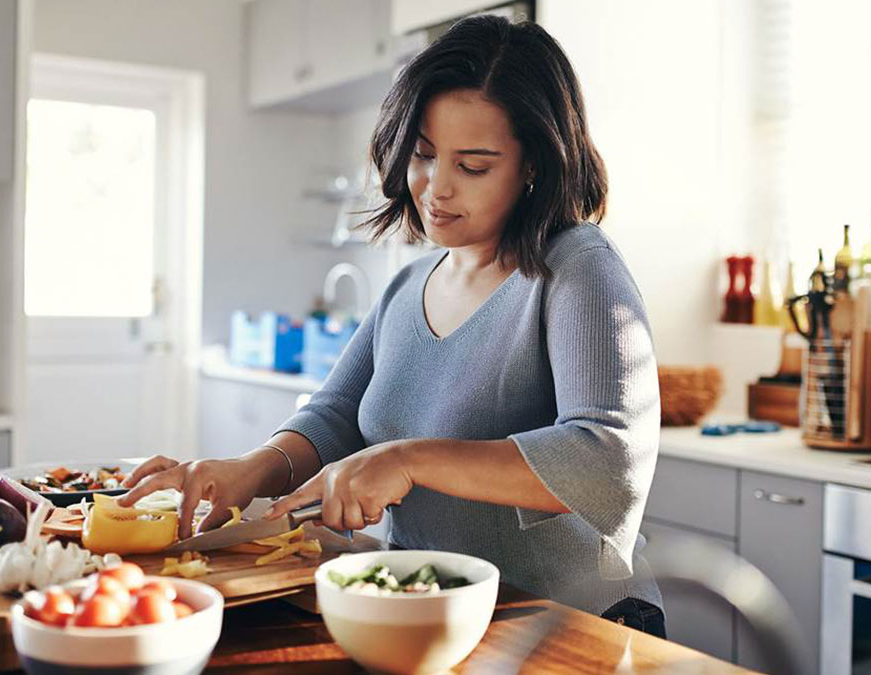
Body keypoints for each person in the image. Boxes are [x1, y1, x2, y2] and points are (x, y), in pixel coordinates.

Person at [119, 14, 665, 637]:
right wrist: (251, 470)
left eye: (475, 166)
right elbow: (335, 418)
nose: (435, 188)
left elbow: (610, 459)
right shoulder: (411, 283)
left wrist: (408, 459)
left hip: (568, 625)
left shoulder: (579, 270)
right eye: (424, 155)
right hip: (436, 617)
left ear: (534, 164)